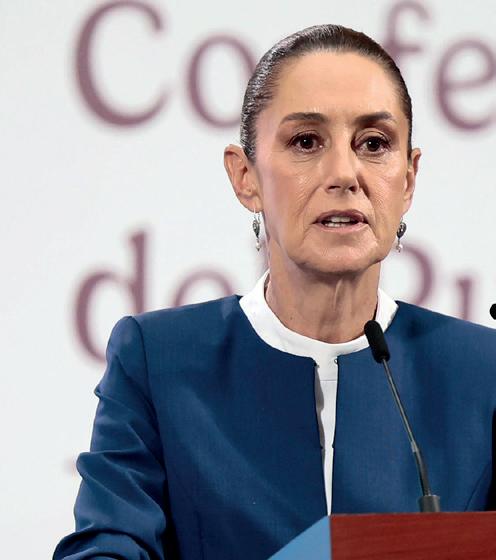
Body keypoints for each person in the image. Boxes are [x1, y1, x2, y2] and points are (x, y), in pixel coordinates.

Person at [53, 24, 496, 560]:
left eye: (374, 144)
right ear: (246, 177)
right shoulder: (158, 360)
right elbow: (106, 548)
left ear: (407, 179)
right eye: (306, 142)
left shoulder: (482, 371)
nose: (344, 174)